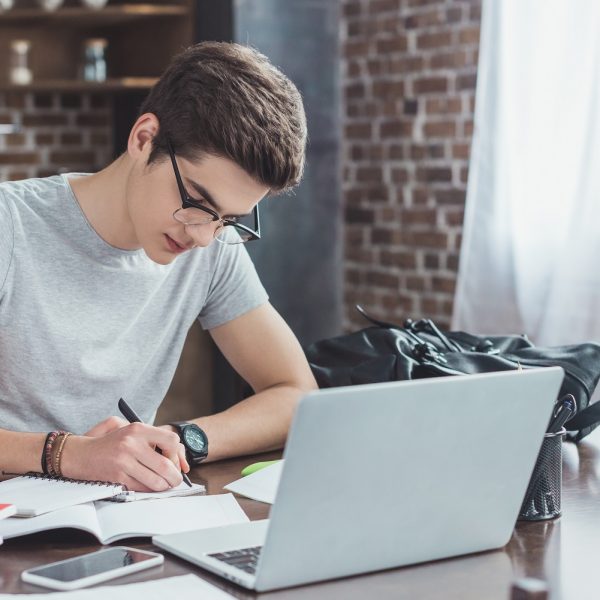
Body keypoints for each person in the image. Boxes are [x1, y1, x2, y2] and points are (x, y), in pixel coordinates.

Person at [0, 42, 317, 492]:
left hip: (119, 525)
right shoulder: (10, 226)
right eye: (197, 202)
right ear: (143, 138)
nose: (204, 236)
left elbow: (295, 392)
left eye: (228, 219)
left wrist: (180, 439)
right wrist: (70, 454)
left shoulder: (213, 243)